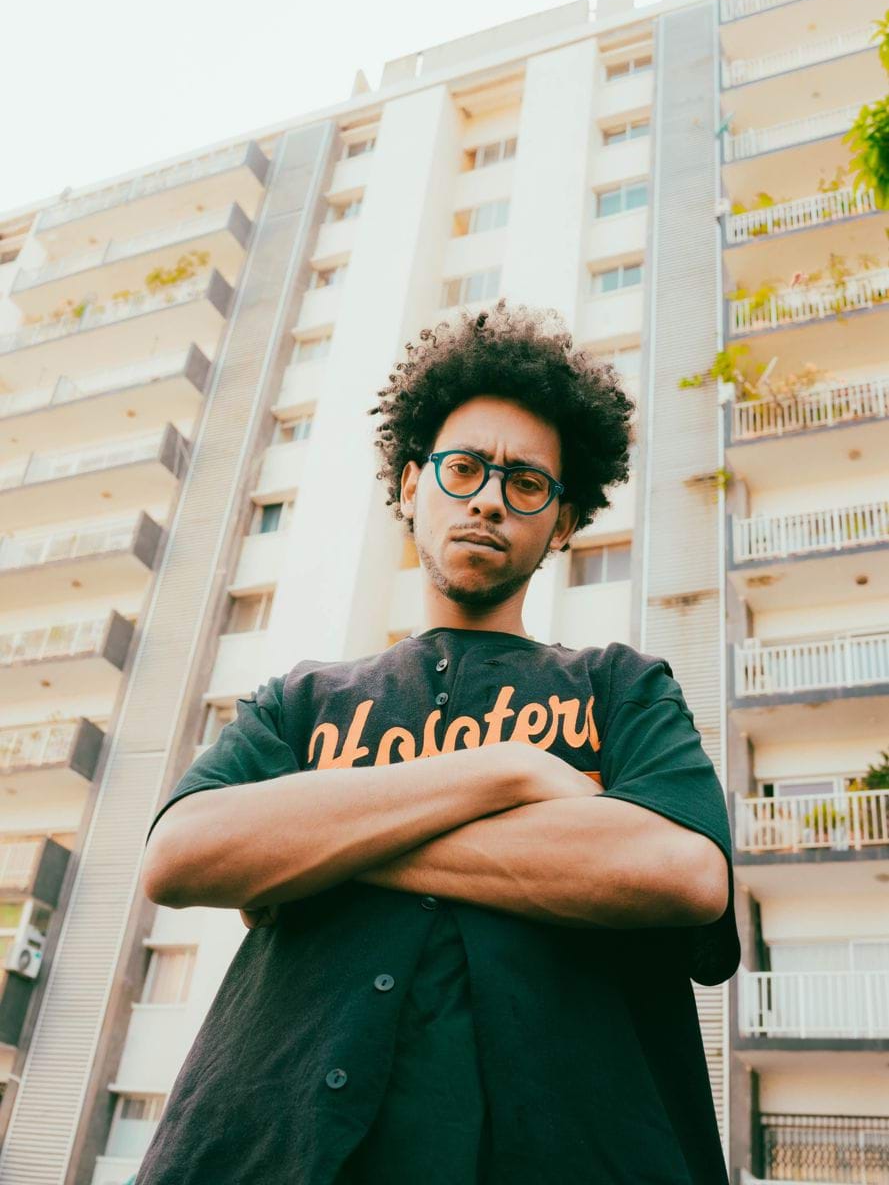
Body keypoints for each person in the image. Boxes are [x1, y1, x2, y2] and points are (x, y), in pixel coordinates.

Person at [136, 299, 741, 1185]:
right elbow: (183, 854)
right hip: (267, 1150)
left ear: (563, 524)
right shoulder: (303, 701)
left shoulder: (620, 686)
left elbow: (679, 873)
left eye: (526, 484)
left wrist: (315, 844)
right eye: (463, 469)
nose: (490, 499)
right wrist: (514, 770)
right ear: (412, 486)